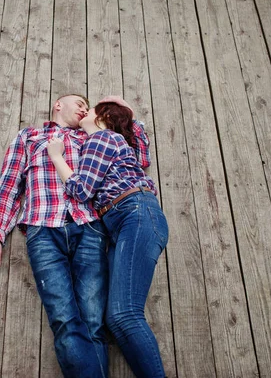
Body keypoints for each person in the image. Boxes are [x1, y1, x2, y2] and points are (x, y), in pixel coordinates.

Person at [0, 94, 150, 377]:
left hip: (90, 228)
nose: (84, 108)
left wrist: (128, 112)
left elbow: (139, 158)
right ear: (58, 105)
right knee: (64, 320)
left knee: (94, 321)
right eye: (79, 102)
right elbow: (9, 185)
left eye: (88, 106)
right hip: (43, 229)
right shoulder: (30, 136)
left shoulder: (92, 136)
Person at [47, 97, 168, 378]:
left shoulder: (101, 139)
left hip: (134, 215)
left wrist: (56, 157)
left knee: (125, 315)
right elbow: (143, 157)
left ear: (102, 117)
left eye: (90, 109)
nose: (84, 111)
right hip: (127, 221)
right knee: (116, 318)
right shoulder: (113, 142)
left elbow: (80, 189)